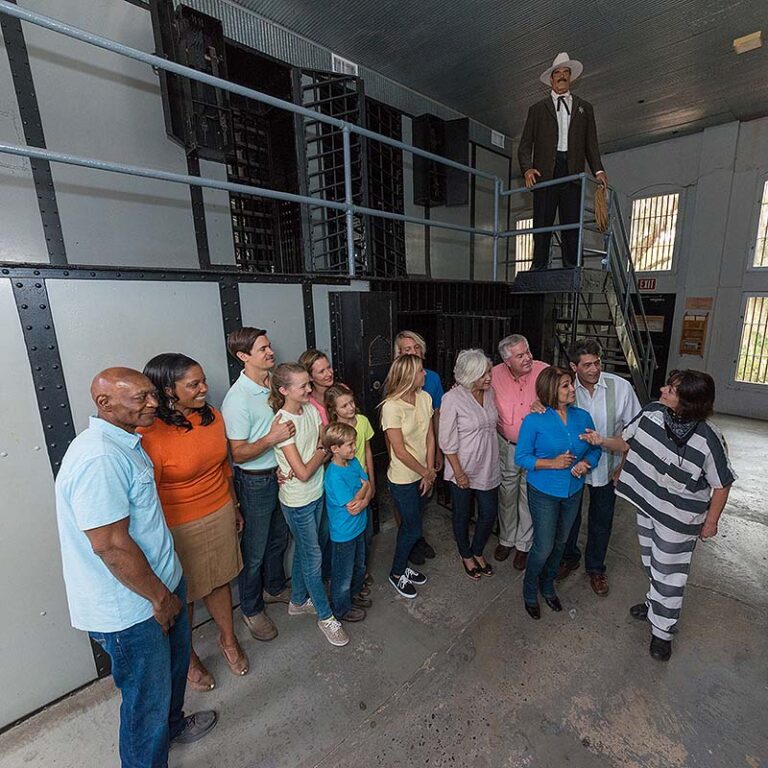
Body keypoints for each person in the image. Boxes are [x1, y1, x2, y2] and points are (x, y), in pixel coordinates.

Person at [55, 368, 216, 768]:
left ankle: (174, 726)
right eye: (140, 398)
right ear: (104, 404)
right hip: (134, 608)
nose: (153, 404)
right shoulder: (100, 458)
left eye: (152, 395)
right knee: (146, 701)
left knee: (172, 675)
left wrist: (169, 586)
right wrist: (160, 598)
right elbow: (110, 545)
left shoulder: (126, 441)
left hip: (160, 590)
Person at [580, 369, 736, 662]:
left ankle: (662, 633)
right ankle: (654, 606)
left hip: (679, 518)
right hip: (648, 504)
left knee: (670, 574)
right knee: (652, 562)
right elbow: (626, 442)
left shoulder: (708, 438)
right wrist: (600, 441)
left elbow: (722, 483)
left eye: (672, 390)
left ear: (688, 402)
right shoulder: (652, 413)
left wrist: (711, 523)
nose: (663, 390)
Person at [140, 354, 248, 692]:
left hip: (218, 511)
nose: (204, 388)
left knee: (220, 581)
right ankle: (187, 658)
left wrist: (233, 505)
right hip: (177, 526)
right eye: (194, 384)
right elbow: (147, 495)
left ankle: (228, 641)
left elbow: (223, 468)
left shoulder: (212, 418)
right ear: (168, 390)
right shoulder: (148, 433)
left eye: (203, 381)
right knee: (182, 594)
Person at [222, 328, 293, 645]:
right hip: (255, 482)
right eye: (263, 348)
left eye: (269, 346)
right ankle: (251, 609)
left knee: (279, 537)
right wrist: (271, 439)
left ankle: (274, 587)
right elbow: (237, 453)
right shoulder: (237, 399)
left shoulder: (272, 385)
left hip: (280, 473)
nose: (270, 352)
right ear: (243, 356)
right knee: (254, 550)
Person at [270, 363, 349, 647]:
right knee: (313, 557)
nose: (308, 389)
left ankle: (297, 601)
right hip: (298, 501)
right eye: (302, 385)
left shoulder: (313, 410)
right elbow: (304, 470)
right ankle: (326, 617)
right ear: (284, 390)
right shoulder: (281, 423)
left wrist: (320, 451)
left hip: (316, 492)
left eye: (307, 384)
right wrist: (322, 451)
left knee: (308, 549)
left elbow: (326, 441)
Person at [555, 339, 641, 596]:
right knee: (569, 518)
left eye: (597, 362)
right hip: (573, 468)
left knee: (601, 521)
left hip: (608, 468)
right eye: (587, 365)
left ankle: (595, 568)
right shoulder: (566, 389)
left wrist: (623, 467)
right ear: (574, 366)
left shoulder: (621, 387)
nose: (594, 369)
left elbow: (634, 432)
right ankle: (569, 557)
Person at [515, 366, 601, 619]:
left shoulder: (583, 417)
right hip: (543, 491)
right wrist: (552, 463)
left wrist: (587, 463)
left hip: (573, 491)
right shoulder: (534, 420)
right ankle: (530, 589)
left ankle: (548, 584)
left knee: (562, 542)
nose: (572, 389)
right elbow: (521, 457)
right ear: (551, 389)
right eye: (565, 385)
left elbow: (595, 449)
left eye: (570, 384)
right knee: (543, 546)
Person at [518, 52, 607, 270]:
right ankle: (538, 266)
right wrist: (528, 169)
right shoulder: (537, 109)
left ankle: (572, 267)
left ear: (571, 77)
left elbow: (591, 145)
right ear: (551, 79)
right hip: (545, 173)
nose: (561, 76)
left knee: (571, 224)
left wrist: (599, 172)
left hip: (572, 171)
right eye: (557, 73)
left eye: (565, 73)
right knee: (542, 224)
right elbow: (524, 145)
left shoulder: (585, 108)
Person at [439, 349, 500, 580]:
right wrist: (458, 472)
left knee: (488, 512)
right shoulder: (452, 399)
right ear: (468, 375)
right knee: (462, 513)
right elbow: (446, 440)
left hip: (488, 463)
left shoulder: (490, 393)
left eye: (488, 372)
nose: (488, 378)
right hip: (462, 466)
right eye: (482, 374)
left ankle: (478, 550)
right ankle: (466, 553)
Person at [491, 334, 549, 568]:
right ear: (507, 361)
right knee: (507, 493)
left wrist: (549, 405)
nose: (528, 358)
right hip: (508, 447)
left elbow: (565, 397)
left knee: (528, 495)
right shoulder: (494, 375)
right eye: (520, 355)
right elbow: (471, 390)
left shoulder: (544, 371)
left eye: (528, 352)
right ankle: (506, 539)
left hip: (537, 448)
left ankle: (524, 545)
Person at [380, 354, 434, 598]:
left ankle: (403, 567)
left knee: (413, 524)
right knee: (412, 528)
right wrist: (425, 472)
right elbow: (399, 451)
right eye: (421, 371)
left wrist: (429, 470)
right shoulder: (391, 407)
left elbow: (430, 437)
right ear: (409, 376)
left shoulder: (425, 398)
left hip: (424, 473)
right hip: (403, 478)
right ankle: (396, 572)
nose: (425, 374)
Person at [394, 330, 444, 563]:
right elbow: (394, 438)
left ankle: (417, 537)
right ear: (399, 355)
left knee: (421, 500)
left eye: (416, 348)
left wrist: (435, 457)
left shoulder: (430, 379)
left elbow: (434, 418)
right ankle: (409, 539)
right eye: (406, 349)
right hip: (405, 462)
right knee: (406, 506)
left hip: (426, 451)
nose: (413, 352)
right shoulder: (395, 384)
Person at [325, 383, 376, 599]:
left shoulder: (362, 422)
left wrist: (371, 483)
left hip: (361, 481)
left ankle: (359, 577)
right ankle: (345, 594)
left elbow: (367, 454)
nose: (350, 408)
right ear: (334, 409)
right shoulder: (334, 433)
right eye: (344, 405)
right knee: (346, 553)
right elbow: (352, 506)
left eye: (351, 402)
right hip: (351, 491)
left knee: (365, 537)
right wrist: (365, 488)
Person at [323, 422, 373, 622]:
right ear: (335, 449)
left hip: (359, 526)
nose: (354, 448)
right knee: (342, 574)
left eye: (354, 443)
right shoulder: (333, 475)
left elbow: (367, 482)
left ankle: (352, 596)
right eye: (350, 445)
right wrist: (363, 490)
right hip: (344, 533)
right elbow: (353, 505)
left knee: (359, 565)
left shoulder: (352, 462)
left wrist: (364, 496)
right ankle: (341, 608)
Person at [298, 348, 334, 426]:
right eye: (322, 371)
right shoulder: (307, 403)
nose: (329, 374)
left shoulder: (342, 390)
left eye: (329, 367)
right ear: (310, 377)